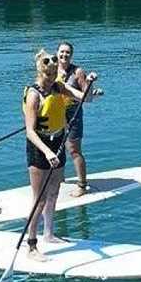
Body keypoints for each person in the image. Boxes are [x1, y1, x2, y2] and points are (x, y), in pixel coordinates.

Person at [22, 48, 96, 261]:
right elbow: (29, 132)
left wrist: (89, 83)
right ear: (40, 73)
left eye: (55, 74)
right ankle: (31, 245)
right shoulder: (34, 95)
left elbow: (86, 99)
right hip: (40, 147)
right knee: (40, 199)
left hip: (58, 142)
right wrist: (47, 153)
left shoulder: (58, 87)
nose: (52, 77)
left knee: (54, 192)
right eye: (49, 74)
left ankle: (49, 234)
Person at [56, 41, 104, 197]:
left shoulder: (77, 72)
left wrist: (90, 83)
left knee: (74, 150)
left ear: (71, 55)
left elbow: (87, 98)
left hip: (73, 114)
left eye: (67, 52)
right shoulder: (52, 68)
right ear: (57, 53)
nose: (64, 55)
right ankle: (59, 180)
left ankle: (82, 185)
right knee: (57, 149)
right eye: (62, 52)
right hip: (55, 114)